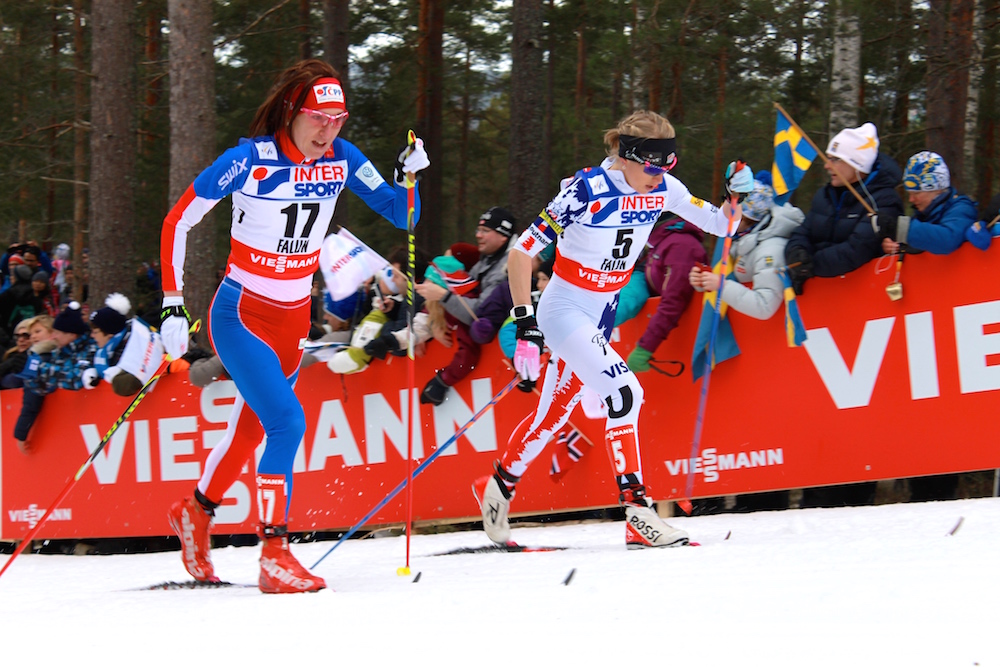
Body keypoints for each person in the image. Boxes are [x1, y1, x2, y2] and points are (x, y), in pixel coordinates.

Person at [159, 59, 429, 593]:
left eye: (338, 119)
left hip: (291, 318)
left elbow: (404, 216)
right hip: (240, 313)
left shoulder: (344, 158)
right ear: (292, 112)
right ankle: (275, 554)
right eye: (318, 118)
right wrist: (171, 301)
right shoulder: (249, 161)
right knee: (287, 422)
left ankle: (194, 511)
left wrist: (409, 176)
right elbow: (178, 220)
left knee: (254, 426)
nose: (328, 130)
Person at [473, 109, 753, 549]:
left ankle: (498, 488)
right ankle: (637, 511)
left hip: (601, 310)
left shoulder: (663, 187)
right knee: (626, 392)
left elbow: (723, 226)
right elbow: (521, 252)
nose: (660, 177)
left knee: (553, 415)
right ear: (626, 157)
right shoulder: (586, 190)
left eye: (669, 166)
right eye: (652, 166)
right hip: (564, 307)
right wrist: (526, 322)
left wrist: (735, 197)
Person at [784, 122, 903, 295]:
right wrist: (797, 254)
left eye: (835, 160)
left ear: (857, 164)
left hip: (864, 297)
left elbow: (856, 251)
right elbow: (803, 233)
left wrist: (811, 265)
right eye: (828, 158)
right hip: (824, 298)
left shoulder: (883, 200)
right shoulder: (824, 195)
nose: (827, 165)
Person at [416, 207, 515, 405]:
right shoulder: (485, 260)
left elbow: (479, 312)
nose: (478, 235)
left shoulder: (506, 266)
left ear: (503, 236)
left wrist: (443, 298)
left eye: (485, 231)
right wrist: (433, 321)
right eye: (479, 230)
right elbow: (462, 291)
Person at [689, 177, 805, 319]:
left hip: (765, 336)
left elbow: (764, 306)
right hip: (744, 334)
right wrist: (705, 279)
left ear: (750, 219)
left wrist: (721, 286)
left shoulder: (771, 251)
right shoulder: (741, 239)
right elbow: (732, 276)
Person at [626, 213, 709, 372]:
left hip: (687, 341)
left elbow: (673, 301)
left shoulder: (681, 247)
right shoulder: (661, 241)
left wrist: (645, 348)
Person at [14, 302, 96, 454]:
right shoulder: (59, 351)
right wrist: (28, 371)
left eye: (57, 332)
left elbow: (75, 379)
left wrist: (37, 368)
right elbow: (40, 388)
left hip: (94, 420)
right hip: (70, 427)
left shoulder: (90, 348)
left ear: (71, 334)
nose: (53, 336)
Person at [873, 151, 977, 256]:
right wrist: (894, 245)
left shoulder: (961, 209)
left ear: (938, 189)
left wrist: (903, 229)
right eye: (909, 194)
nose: (911, 199)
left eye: (916, 193)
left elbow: (948, 240)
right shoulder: (923, 214)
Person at [0, 320, 32, 388]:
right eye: (18, 336)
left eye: (26, 336)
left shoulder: (42, 358)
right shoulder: (8, 355)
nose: (21, 340)